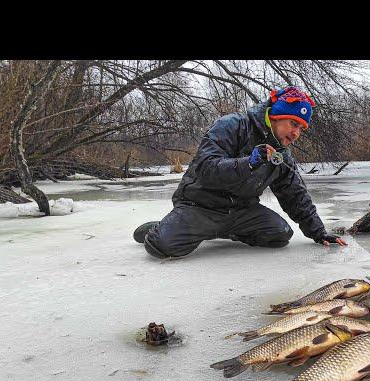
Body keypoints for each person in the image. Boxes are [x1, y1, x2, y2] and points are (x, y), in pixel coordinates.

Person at [133, 86, 347, 259]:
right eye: (293, 124)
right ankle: (166, 227)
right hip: (201, 206)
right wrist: (249, 163)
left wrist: (318, 232)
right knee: (161, 246)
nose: (296, 133)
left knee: (280, 235)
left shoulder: (282, 155)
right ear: (276, 115)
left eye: (301, 128)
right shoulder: (232, 126)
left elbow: (295, 195)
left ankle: (220, 230)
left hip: (241, 211)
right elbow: (206, 168)